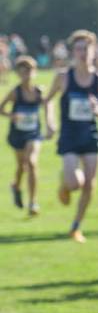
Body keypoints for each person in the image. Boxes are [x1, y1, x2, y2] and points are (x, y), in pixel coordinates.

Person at [44, 30, 98, 243]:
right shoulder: (63, 77)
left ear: (94, 51)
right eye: (79, 48)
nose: (83, 53)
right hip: (69, 136)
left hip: (90, 136)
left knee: (90, 184)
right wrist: (50, 123)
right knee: (76, 183)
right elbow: (48, 101)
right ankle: (65, 183)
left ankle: (76, 226)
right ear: (73, 51)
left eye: (87, 48)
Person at [3, 56, 47, 216]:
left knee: (32, 162)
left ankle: (33, 203)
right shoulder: (15, 92)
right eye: (22, 72)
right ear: (18, 74)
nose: (26, 75)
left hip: (34, 133)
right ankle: (16, 186)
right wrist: (11, 116)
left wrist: (50, 123)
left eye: (29, 71)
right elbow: (1, 108)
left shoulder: (38, 91)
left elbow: (47, 105)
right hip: (18, 133)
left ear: (34, 72)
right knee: (21, 166)